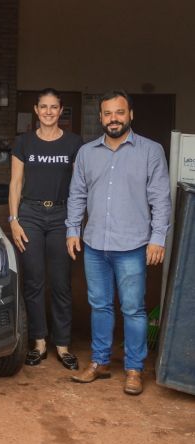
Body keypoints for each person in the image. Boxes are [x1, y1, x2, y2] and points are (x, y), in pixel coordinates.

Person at [66, 90, 171, 395]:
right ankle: (99, 363)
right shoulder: (87, 153)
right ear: (100, 118)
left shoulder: (151, 151)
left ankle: (134, 369)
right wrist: (72, 229)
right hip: (96, 243)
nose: (114, 119)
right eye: (108, 114)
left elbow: (160, 199)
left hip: (133, 245)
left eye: (119, 113)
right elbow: (77, 195)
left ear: (130, 115)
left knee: (133, 309)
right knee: (99, 305)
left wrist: (158, 238)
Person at [8, 88, 83, 370]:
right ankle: (39, 342)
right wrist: (14, 221)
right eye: (44, 107)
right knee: (34, 281)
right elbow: (15, 183)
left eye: (54, 107)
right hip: (31, 215)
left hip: (62, 215)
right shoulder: (23, 142)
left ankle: (63, 345)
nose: (49, 112)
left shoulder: (74, 143)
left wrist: (75, 224)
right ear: (36, 111)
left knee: (62, 282)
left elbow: (79, 188)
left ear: (61, 111)